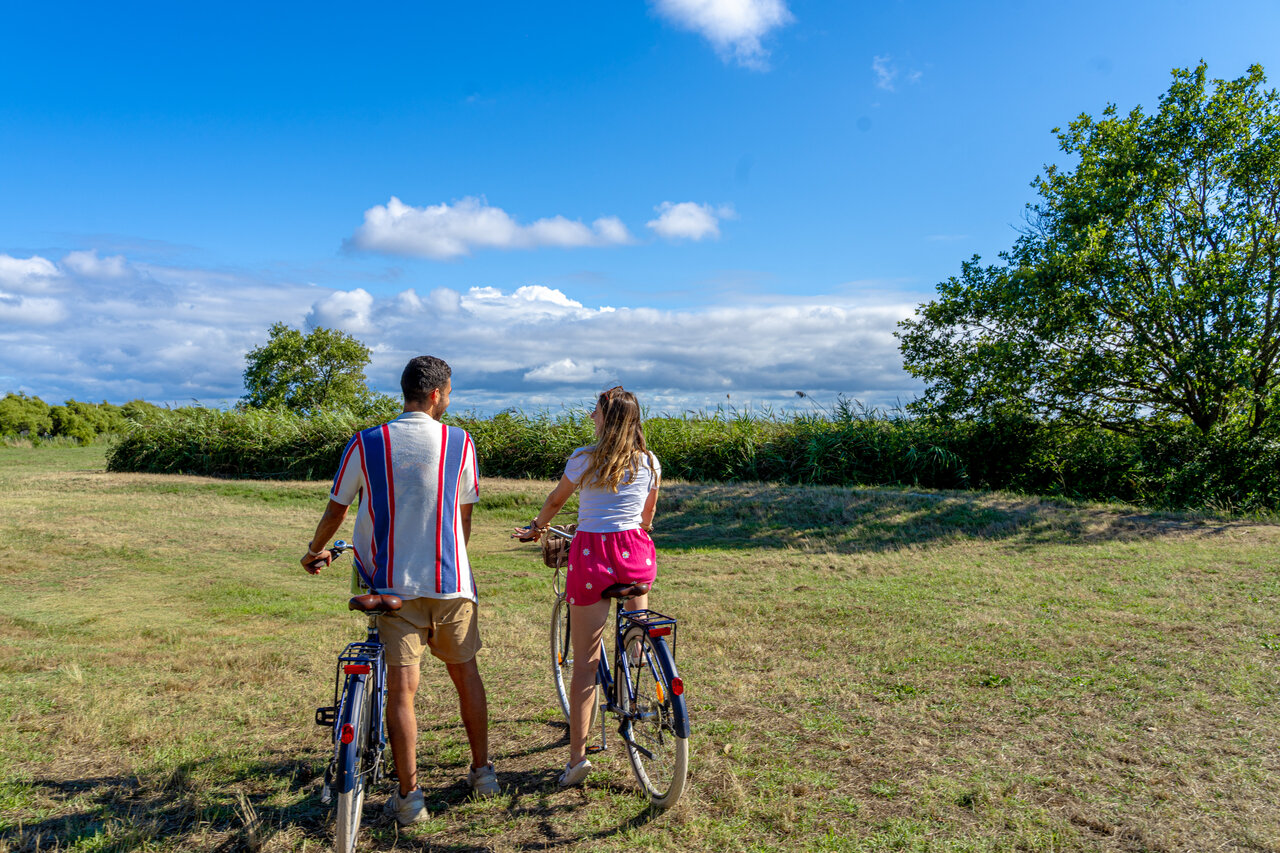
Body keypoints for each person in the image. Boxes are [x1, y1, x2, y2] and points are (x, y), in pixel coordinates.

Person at [301, 355, 498, 825]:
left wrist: (314, 549)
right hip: (450, 582)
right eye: (448, 392)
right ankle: (483, 773)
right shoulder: (460, 442)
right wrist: (452, 556)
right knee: (465, 673)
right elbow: (463, 516)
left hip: (391, 585)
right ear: (435, 395)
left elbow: (336, 510)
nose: (448, 400)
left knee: (402, 693)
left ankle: (410, 798)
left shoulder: (368, 442)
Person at [514, 386, 660, 788]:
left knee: (585, 664)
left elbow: (556, 500)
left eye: (595, 410)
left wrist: (536, 528)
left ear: (606, 417)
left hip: (592, 555)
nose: (591, 415)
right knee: (637, 618)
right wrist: (633, 530)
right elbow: (647, 515)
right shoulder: (650, 462)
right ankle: (638, 654)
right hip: (634, 552)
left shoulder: (584, 459)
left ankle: (577, 761)